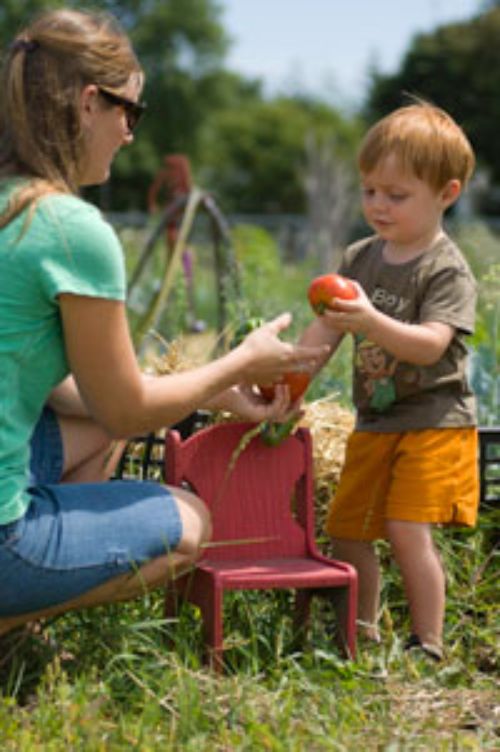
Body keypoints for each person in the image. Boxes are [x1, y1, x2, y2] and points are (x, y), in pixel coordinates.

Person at [0, 8, 327, 636]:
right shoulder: (69, 230)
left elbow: (85, 395)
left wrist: (208, 385)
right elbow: (126, 411)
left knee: (88, 420)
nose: (129, 134)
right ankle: (13, 620)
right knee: (190, 524)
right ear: (89, 103)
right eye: (130, 112)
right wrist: (242, 362)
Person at [299, 100, 479, 660]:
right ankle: (362, 632)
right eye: (369, 190)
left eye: (396, 195)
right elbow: (322, 336)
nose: (378, 205)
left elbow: (431, 345)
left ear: (446, 193)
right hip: (375, 421)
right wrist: (286, 378)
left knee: (406, 530)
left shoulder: (445, 268)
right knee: (346, 528)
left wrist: (371, 319)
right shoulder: (359, 258)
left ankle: (428, 642)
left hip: (434, 422)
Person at [147, 154, 204, 332]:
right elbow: (153, 196)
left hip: (181, 236)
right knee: (176, 276)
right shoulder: (168, 185)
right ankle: (174, 318)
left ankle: (187, 317)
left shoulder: (183, 187)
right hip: (173, 234)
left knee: (185, 276)